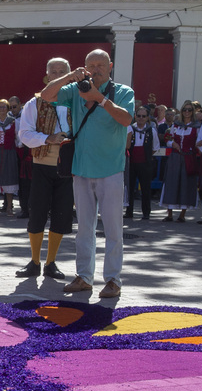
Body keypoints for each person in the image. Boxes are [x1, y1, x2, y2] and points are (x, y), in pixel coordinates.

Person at [40, 49, 135, 298]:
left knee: (113, 229)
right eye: (91, 65)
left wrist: (100, 99)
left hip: (111, 170)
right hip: (81, 170)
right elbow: (47, 95)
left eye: (100, 65)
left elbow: (126, 120)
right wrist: (69, 76)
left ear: (110, 66)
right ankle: (84, 276)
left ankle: (113, 280)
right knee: (84, 228)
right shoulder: (75, 89)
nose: (95, 69)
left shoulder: (124, 92)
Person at [16, 57, 76, 280]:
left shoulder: (78, 100)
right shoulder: (35, 103)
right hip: (42, 164)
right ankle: (34, 261)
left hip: (69, 165)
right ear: (47, 76)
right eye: (54, 72)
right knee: (37, 212)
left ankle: (51, 262)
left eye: (63, 71)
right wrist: (48, 138)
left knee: (62, 214)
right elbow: (24, 135)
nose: (58, 75)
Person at [159, 101, 200, 222]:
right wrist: (173, 143)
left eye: (189, 110)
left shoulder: (197, 127)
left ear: (193, 112)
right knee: (171, 182)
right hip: (175, 156)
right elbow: (168, 139)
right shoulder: (176, 125)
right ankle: (169, 213)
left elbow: (199, 141)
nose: (187, 112)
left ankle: (182, 214)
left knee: (186, 183)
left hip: (189, 157)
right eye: (184, 110)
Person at [125, 105, 158, 220]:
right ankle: (129, 211)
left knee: (145, 189)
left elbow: (155, 147)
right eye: (138, 116)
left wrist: (147, 155)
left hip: (145, 163)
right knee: (129, 188)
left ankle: (146, 212)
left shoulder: (151, 130)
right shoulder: (130, 129)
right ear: (135, 116)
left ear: (148, 118)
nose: (141, 118)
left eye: (143, 116)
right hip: (132, 163)